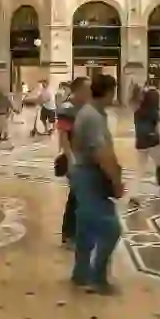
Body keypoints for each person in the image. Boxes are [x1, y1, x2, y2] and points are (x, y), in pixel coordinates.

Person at [69, 74, 124, 294]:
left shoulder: (90, 113)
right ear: (110, 92)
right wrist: (116, 181)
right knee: (111, 228)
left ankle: (80, 273)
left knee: (85, 228)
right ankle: (97, 277)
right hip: (90, 176)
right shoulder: (92, 116)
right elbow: (102, 154)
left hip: (84, 174)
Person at [57, 78, 86, 248]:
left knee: (80, 196)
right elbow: (63, 137)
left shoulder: (83, 107)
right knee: (75, 196)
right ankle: (68, 235)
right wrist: (71, 159)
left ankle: (76, 233)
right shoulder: (67, 109)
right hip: (74, 159)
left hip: (84, 157)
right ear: (79, 90)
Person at [130, 88, 160, 203]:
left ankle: (133, 193)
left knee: (140, 169)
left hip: (140, 142)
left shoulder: (138, 111)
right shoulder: (155, 112)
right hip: (153, 141)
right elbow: (159, 128)